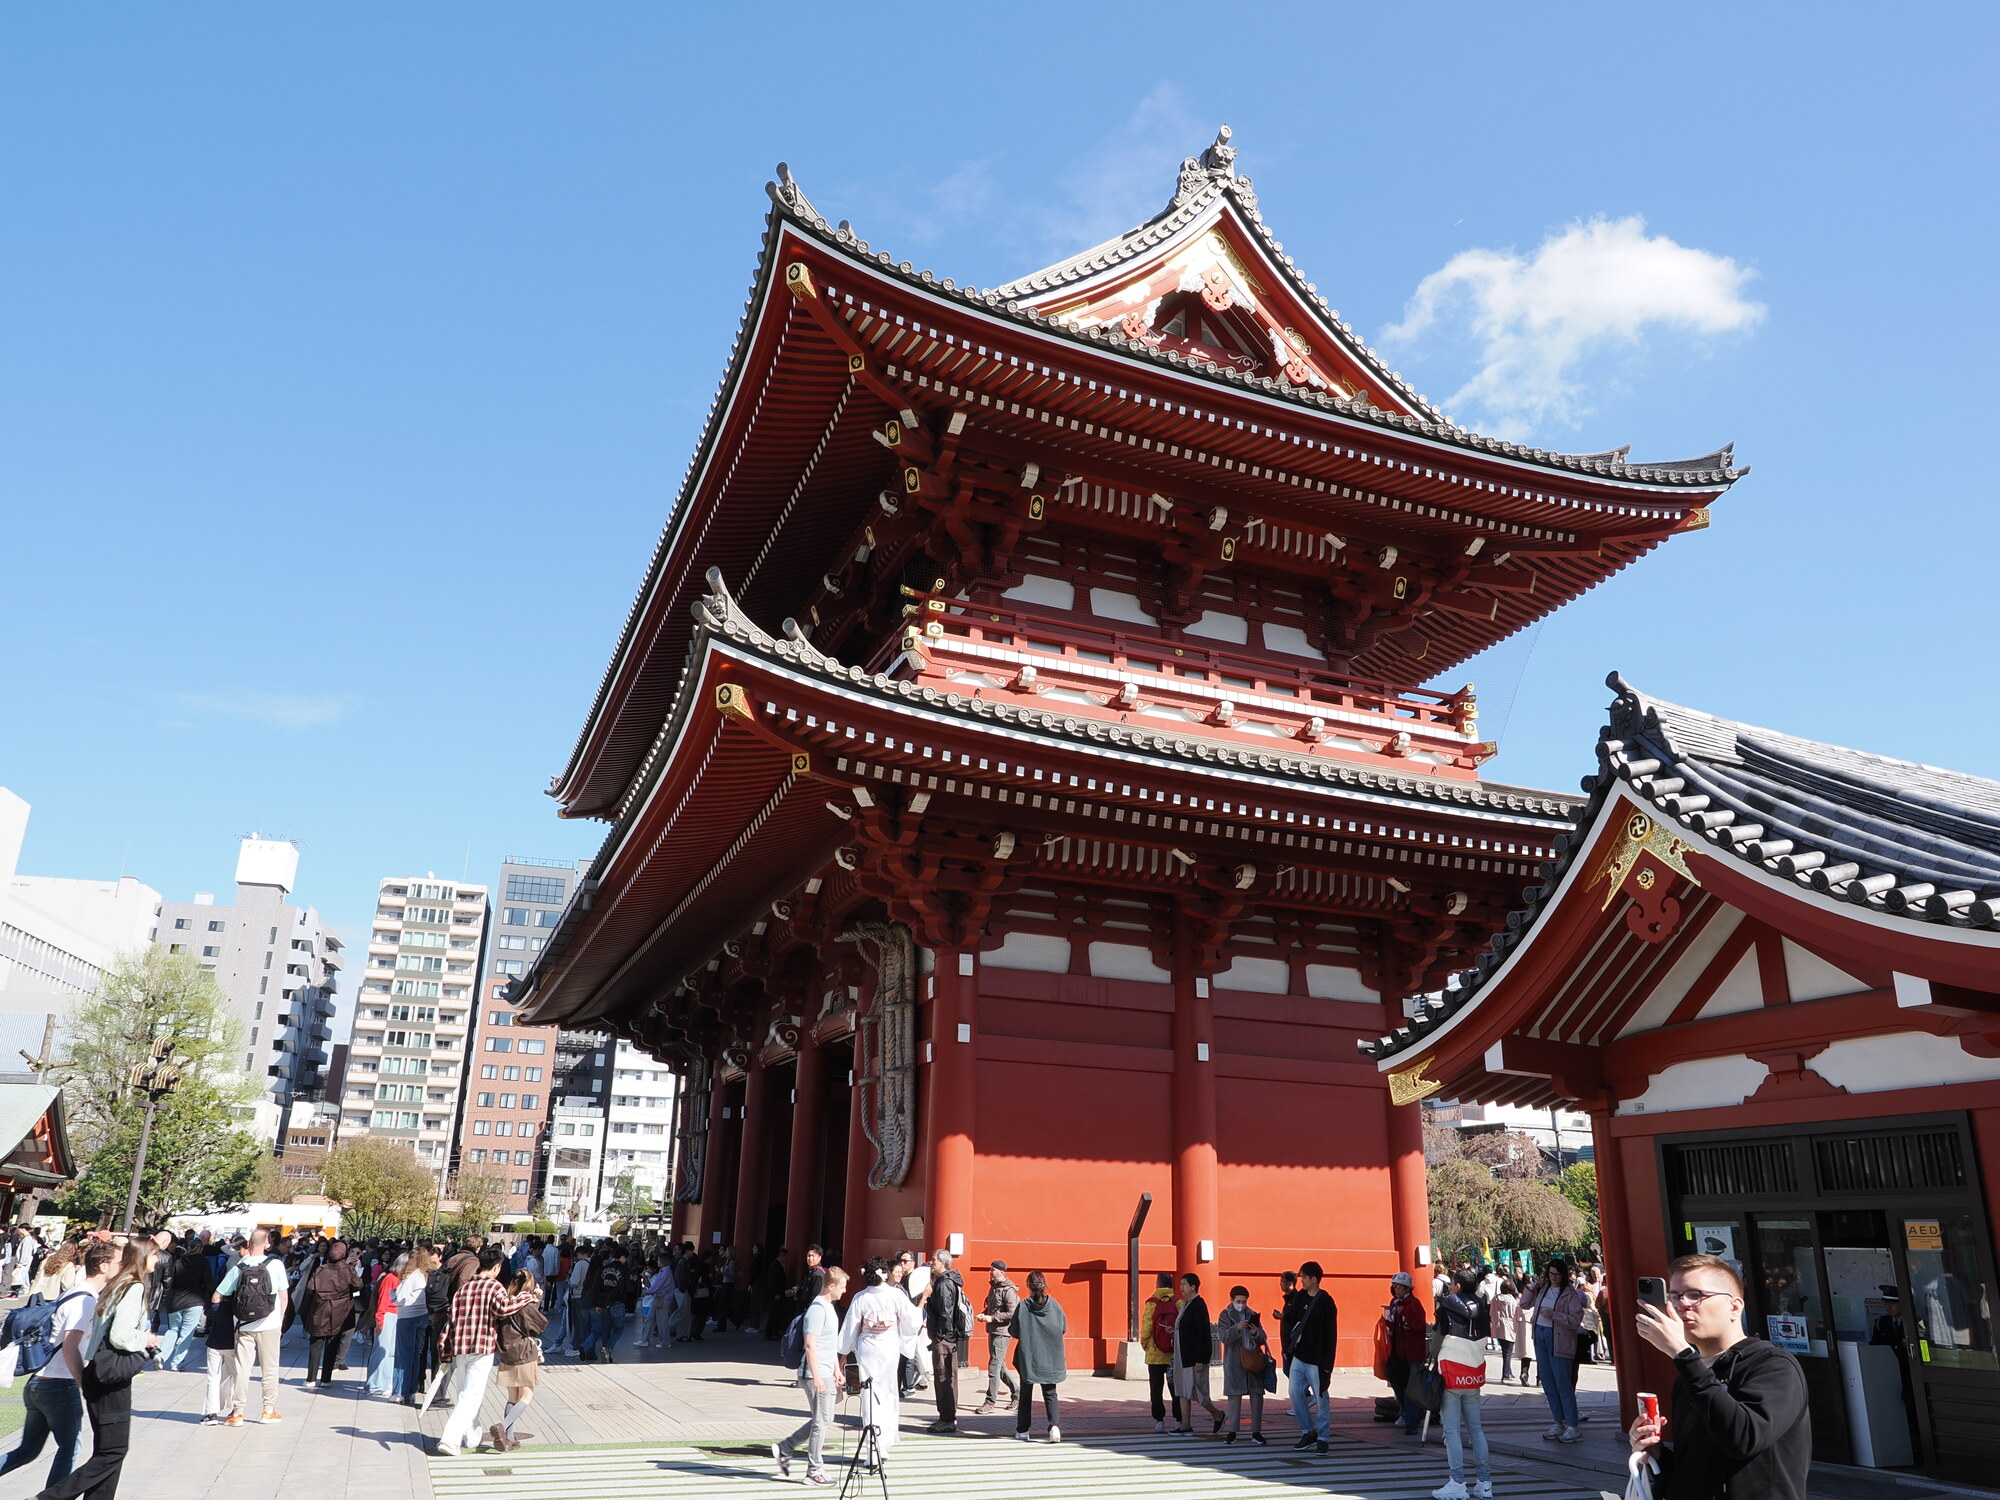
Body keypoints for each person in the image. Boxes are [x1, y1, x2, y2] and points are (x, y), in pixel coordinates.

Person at [1631, 1254, 1809, 1500]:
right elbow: (1695, 1467)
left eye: (1695, 1295)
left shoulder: (1773, 1366)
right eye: (1672, 1296)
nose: (1680, 1305)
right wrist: (1657, 1453)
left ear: (1734, 1307)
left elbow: (1743, 1439)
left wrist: (1683, 1355)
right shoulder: (1688, 1376)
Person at [42, 1239, 159, 1500]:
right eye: (153, 1254)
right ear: (141, 1257)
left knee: (108, 1451)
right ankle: (49, 1497)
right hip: (111, 1375)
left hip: (99, 1372)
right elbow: (120, 1337)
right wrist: (146, 1339)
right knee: (113, 1452)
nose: (157, 1259)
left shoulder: (116, 1284)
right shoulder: (133, 1286)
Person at [0, 1240, 113, 1484]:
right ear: (104, 1266)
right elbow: (71, 1345)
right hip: (58, 1384)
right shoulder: (85, 1301)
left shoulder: (76, 1291)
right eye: (119, 1263)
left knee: (27, 1451)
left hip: (40, 1382)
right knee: (70, 1448)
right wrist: (84, 1382)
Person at [434, 1247, 538, 1457]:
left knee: (466, 1391)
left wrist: (445, 1351)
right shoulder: (494, 1287)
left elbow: (451, 1321)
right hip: (482, 1346)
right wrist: (528, 1297)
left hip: (460, 1347)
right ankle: (450, 1439)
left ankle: (472, 1435)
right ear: (497, 1267)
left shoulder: (463, 1289)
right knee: (470, 1395)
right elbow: (503, 1308)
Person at [840, 1258, 920, 1469]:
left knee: (869, 1396)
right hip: (889, 1347)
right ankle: (882, 1446)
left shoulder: (861, 1297)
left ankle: (872, 1449)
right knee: (887, 1394)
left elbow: (850, 1328)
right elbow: (912, 1320)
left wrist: (844, 1352)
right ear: (884, 1274)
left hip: (868, 1349)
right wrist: (921, 1304)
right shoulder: (896, 1295)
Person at [774, 1265, 843, 1487]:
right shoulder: (817, 1309)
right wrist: (818, 1376)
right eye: (841, 1287)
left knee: (822, 1420)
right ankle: (814, 1471)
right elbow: (810, 1345)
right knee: (822, 1422)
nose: (844, 1291)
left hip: (823, 1371)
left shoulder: (829, 1308)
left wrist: (836, 1370)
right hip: (815, 1373)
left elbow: (829, 1344)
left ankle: (786, 1448)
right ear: (830, 1286)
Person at [1431, 1267, 1495, 1500]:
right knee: (1476, 1429)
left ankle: (1457, 1482)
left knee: (1452, 1431)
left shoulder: (1446, 1307)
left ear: (1456, 1285)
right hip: (1474, 1374)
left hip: (1451, 1373)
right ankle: (1484, 1483)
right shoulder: (1483, 1308)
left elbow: (1435, 1343)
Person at [213, 1228, 287, 1424]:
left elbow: (217, 1296)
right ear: (267, 1244)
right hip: (270, 1324)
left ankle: (237, 1413)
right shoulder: (276, 1265)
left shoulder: (240, 1266)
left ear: (248, 1244)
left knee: (242, 1369)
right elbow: (283, 1296)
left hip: (244, 1324)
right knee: (270, 1368)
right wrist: (279, 1321)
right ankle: (268, 1410)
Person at [1526, 1257, 1588, 1442]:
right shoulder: (1543, 1289)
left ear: (1563, 1275)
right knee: (1548, 1384)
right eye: (1550, 1273)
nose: (1553, 1277)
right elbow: (1524, 1304)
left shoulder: (1570, 1294)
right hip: (1540, 1336)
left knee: (1563, 1384)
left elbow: (1576, 1319)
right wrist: (1531, 1288)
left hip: (1559, 1339)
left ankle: (1572, 1425)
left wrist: (1555, 1315)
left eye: (1557, 1274)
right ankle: (1558, 1422)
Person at [490, 1268, 548, 1452]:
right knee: (526, 1395)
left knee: (512, 1396)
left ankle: (509, 1437)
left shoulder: (505, 1302)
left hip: (506, 1353)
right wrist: (538, 1300)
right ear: (529, 1284)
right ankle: (503, 1426)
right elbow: (540, 1325)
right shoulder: (527, 1303)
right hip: (523, 1353)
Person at [1287, 1260, 1338, 1452]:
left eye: (1303, 1277)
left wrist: (1328, 1363)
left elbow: (1331, 1333)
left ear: (1314, 1279)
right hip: (1299, 1356)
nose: (1301, 1281)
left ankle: (1323, 1437)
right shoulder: (1300, 1297)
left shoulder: (1326, 1302)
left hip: (1317, 1359)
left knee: (1321, 1396)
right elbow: (1292, 1319)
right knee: (1294, 1392)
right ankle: (1308, 1431)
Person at [1010, 1271, 1066, 1443]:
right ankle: (1054, 1427)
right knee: (1050, 1393)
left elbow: (1014, 1331)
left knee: (1026, 1394)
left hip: (1029, 1356)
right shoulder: (1055, 1305)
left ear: (1028, 1285)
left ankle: (1023, 1430)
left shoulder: (1023, 1306)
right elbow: (1063, 1327)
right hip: (1051, 1355)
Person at [923, 1249, 970, 1434]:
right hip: (949, 1337)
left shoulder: (944, 1283)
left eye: (934, 1260)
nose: (931, 1262)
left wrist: (941, 1336)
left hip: (944, 1338)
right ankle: (948, 1416)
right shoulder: (952, 1280)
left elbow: (946, 1312)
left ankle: (947, 1419)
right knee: (949, 1378)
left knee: (943, 1378)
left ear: (943, 1263)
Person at [1217, 1285, 1270, 1445]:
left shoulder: (1252, 1314)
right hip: (1234, 1361)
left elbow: (1263, 1336)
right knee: (1234, 1397)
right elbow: (1223, 1336)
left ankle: (1256, 1432)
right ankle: (1232, 1432)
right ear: (1232, 1300)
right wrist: (1236, 1328)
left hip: (1253, 1359)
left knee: (1257, 1396)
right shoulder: (1225, 1315)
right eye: (1238, 1301)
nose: (1241, 1304)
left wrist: (1255, 1333)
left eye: (1244, 1301)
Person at [1172, 1272, 1224, 1436]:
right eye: (1180, 1284)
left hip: (1194, 1358)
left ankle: (1218, 1415)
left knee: (1199, 1393)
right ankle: (1185, 1425)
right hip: (1182, 1356)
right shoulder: (1186, 1304)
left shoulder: (1198, 1304)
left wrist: (1201, 1359)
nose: (1181, 1287)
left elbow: (1203, 1332)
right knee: (1182, 1391)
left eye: (1184, 1284)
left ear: (1193, 1286)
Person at [303, 1240, 361, 1386]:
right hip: (340, 1310)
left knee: (316, 1343)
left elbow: (310, 1288)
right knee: (332, 1343)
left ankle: (310, 1378)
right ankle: (326, 1378)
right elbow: (358, 1285)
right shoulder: (347, 1270)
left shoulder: (321, 1270)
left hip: (320, 1309)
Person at [1383, 1270, 1430, 1435]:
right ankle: (1406, 1414)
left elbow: (1420, 1326)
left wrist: (1406, 1318)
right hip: (1398, 1352)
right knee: (1398, 1385)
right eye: (1394, 1286)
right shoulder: (1395, 1304)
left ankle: (1411, 1422)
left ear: (1407, 1288)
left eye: (1398, 1287)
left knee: (1410, 1389)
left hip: (1412, 1354)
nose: (1395, 1289)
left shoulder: (1414, 1304)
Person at [155, 1237, 211, 1372]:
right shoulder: (204, 1263)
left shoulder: (178, 1262)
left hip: (176, 1300)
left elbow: (170, 1281)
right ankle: (176, 1363)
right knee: (187, 1333)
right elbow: (208, 1283)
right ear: (201, 1249)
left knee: (173, 1329)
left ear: (188, 1248)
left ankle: (161, 1355)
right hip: (194, 1300)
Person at [973, 1260, 1020, 1414]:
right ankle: (1018, 1394)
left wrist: (992, 1318)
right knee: (1000, 1367)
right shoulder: (994, 1287)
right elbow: (992, 1307)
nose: (990, 1271)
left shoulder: (1008, 1290)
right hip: (993, 1331)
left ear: (1001, 1272)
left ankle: (990, 1402)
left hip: (1002, 1333)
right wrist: (985, 1314)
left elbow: (1012, 1313)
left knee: (994, 1366)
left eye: (993, 1270)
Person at [392, 1248, 437, 1401]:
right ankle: (411, 1391)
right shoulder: (428, 1275)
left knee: (402, 1355)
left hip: (407, 1316)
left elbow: (400, 1298)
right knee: (416, 1355)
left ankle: (399, 1391)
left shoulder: (411, 1275)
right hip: (423, 1315)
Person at [1140, 1272, 1180, 1435]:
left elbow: (1146, 1327)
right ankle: (1179, 1420)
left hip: (1154, 1354)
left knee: (1156, 1389)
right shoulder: (1179, 1302)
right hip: (1173, 1353)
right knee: (1175, 1388)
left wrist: (1146, 1346)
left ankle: (1159, 1421)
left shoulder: (1151, 1302)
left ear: (1157, 1283)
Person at [199, 1280, 239, 1423]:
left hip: (215, 1344)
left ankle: (211, 1414)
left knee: (213, 1378)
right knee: (235, 1377)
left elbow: (207, 1311)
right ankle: (236, 1409)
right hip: (233, 1345)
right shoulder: (240, 1309)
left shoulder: (218, 1307)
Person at [366, 1253, 404, 1396]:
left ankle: (384, 1381)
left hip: (394, 1314)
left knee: (390, 1352)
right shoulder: (390, 1278)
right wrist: (380, 1320)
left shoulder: (396, 1279)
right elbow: (383, 1301)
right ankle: (376, 1384)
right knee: (382, 1350)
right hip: (388, 1315)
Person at [1492, 1277, 1521, 1384]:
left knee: (1505, 1350)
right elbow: (1517, 1315)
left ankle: (1509, 1371)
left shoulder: (1495, 1299)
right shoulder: (1512, 1300)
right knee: (1508, 1352)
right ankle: (1505, 1374)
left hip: (1498, 1326)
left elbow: (1492, 1313)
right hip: (1510, 1327)